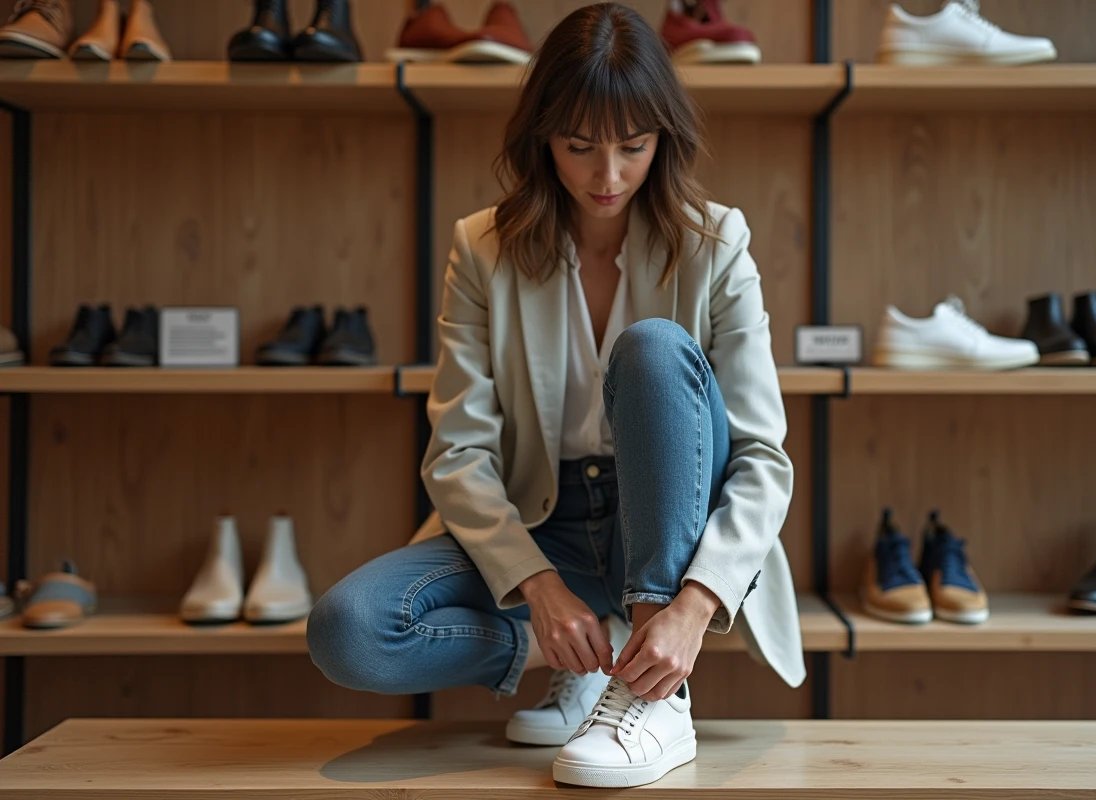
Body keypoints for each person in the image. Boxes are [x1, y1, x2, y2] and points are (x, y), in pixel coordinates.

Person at [307, 2, 804, 788]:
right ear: (543, 137)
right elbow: (459, 451)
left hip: (669, 539)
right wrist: (537, 589)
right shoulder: (483, 249)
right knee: (349, 631)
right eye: (580, 148)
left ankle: (651, 691)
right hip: (544, 525)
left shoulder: (718, 242)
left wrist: (692, 607)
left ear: (662, 140)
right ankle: (594, 660)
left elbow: (762, 456)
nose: (607, 177)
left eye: (633, 148)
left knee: (651, 346)